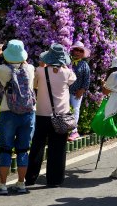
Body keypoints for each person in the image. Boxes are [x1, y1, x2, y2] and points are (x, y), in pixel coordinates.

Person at [26, 44, 76, 187]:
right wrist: (62, 65)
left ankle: (30, 178)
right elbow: (72, 79)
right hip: (61, 116)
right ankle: (55, 180)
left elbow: (34, 85)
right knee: (58, 149)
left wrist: (43, 64)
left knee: (37, 146)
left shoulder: (40, 71)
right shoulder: (67, 73)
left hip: (42, 114)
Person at [0, 40, 36, 194]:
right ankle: (21, 183)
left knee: (5, 149)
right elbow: (25, 62)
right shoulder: (30, 68)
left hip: (8, 112)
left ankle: (2, 185)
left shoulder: (3, 69)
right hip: (28, 112)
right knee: (23, 149)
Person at [68, 41, 91, 141]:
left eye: (80, 50)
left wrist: (82, 90)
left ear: (83, 53)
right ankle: (67, 129)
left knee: (75, 110)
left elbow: (87, 80)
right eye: (76, 50)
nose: (77, 52)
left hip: (76, 92)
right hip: (65, 91)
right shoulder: (68, 62)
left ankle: (74, 131)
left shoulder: (84, 65)